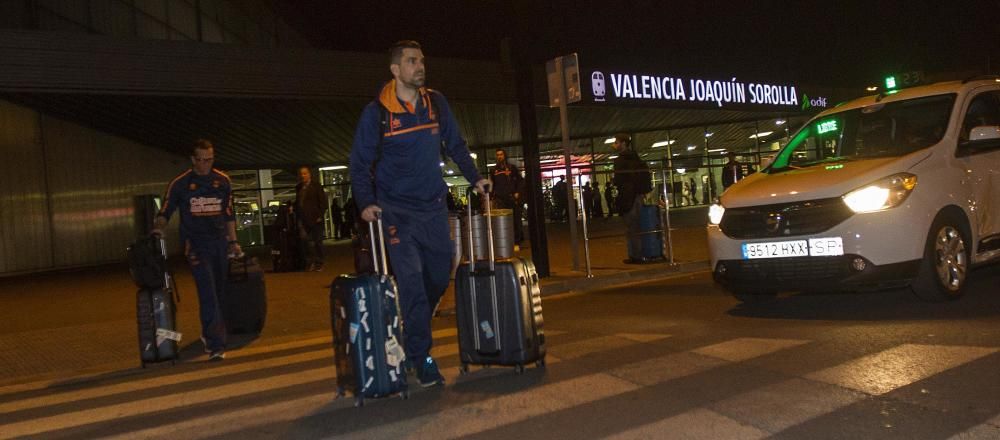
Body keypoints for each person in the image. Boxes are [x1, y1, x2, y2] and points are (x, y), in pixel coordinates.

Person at [349, 40, 489, 388]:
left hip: (432, 208)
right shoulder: (377, 113)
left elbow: (455, 144)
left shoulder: (436, 103)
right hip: (396, 213)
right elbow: (360, 162)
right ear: (396, 70)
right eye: (412, 61)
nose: (420, 66)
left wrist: (476, 178)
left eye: (422, 60)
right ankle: (421, 356)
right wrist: (365, 201)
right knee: (411, 281)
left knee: (441, 275)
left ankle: (413, 324)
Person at [152, 139, 239, 361]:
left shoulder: (222, 181)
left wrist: (233, 242)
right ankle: (215, 344)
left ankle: (211, 332)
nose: (204, 165)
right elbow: (165, 210)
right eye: (200, 160)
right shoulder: (181, 183)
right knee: (207, 292)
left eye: (209, 160)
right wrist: (159, 228)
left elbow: (228, 214)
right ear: (193, 159)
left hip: (219, 243)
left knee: (219, 292)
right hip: (196, 245)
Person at [611, 133, 652, 264]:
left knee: (631, 227)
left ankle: (636, 256)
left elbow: (618, 180)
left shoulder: (619, 161)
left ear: (623, 143)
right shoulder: (637, 159)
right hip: (638, 195)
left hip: (627, 196)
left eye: (617, 142)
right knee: (636, 226)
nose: (615, 145)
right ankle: (637, 254)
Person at [295, 166, 328, 272]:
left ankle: (320, 262)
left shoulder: (316, 186)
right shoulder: (299, 187)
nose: (303, 176)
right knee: (305, 241)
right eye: (301, 174)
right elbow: (298, 202)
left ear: (309, 174)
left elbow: (323, 202)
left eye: (305, 173)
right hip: (303, 219)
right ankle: (311, 261)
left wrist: (320, 215)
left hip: (315, 218)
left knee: (317, 241)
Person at [490, 148, 524, 245]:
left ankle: (517, 242)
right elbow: (492, 184)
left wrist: (517, 192)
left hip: (512, 197)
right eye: (498, 155)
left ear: (504, 155)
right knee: (503, 221)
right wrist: (492, 196)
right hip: (500, 199)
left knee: (515, 220)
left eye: (501, 154)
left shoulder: (511, 168)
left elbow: (520, 181)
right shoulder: (494, 170)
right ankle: (506, 241)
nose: (500, 156)